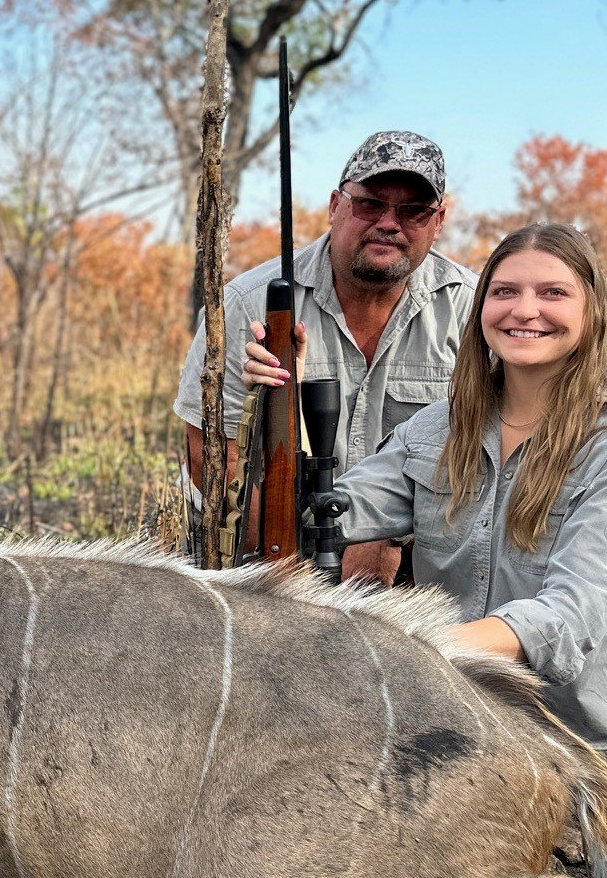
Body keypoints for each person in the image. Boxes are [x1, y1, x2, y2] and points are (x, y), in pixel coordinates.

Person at [249, 223, 607, 756]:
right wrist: (275, 400)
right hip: (448, 718)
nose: (525, 310)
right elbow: (321, 514)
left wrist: (408, 648)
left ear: (592, 313)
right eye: (505, 292)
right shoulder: (438, 428)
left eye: (553, 293)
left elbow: (566, 619)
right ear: (481, 311)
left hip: (571, 740)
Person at [176, 130, 477, 583]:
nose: (389, 223)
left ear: (438, 223)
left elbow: (493, 453)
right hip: (268, 552)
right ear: (335, 206)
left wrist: (385, 537)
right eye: (370, 204)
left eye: (414, 211)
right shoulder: (249, 303)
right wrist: (287, 564)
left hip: (415, 559)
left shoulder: (474, 310)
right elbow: (209, 451)